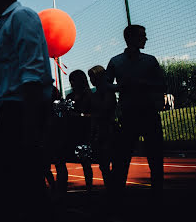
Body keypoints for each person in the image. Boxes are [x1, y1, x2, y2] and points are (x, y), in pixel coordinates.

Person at [0, 0, 53, 222]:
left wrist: (31, 130)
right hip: (13, 113)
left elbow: (32, 74)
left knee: (4, 194)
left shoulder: (21, 17)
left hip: (20, 113)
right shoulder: (6, 24)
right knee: (26, 191)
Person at [106, 24, 166, 199]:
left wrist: (139, 84)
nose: (146, 38)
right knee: (126, 157)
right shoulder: (121, 61)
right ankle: (119, 195)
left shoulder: (142, 60)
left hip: (142, 112)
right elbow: (107, 85)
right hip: (134, 114)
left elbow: (162, 84)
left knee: (144, 156)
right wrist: (121, 86)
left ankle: (119, 197)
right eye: (142, 35)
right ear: (131, 38)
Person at [88, 65, 117, 190]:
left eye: (92, 77)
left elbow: (105, 109)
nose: (91, 80)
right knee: (104, 164)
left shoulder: (106, 92)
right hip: (102, 130)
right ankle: (112, 188)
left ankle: (113, 189)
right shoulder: (99, 93)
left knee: (108, 163)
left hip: (107, 129)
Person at [65, 70, 94, 193]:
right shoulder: (70, 97)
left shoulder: (89, 95)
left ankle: (89, 188)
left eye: (73, 80)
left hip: (85, 132)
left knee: (86, 162)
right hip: (74, 132)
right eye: (70, 80)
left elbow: (92, 114)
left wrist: (79, 115)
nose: (71, 83)